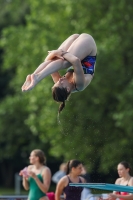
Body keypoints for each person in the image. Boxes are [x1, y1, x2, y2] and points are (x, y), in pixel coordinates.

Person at [22, 33, 97, 113]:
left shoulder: (60, 83)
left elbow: (48, 62)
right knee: (66, 63)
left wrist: (54, 54)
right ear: (68, 89)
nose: (60, 79)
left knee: (55, 61)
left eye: (57, 82)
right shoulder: (80, 84)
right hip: (88, 42)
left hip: (75, 40)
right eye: (60, 83)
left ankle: (34, 76)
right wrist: (60, 53)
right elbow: (76, 61)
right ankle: (37, 78)